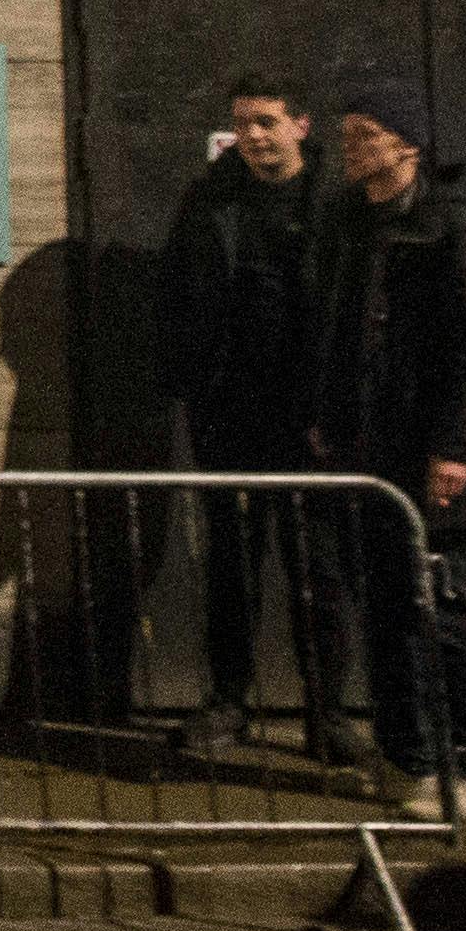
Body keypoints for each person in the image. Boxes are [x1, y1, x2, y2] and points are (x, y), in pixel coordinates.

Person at [311, 79, 466, 824]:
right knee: (385, 609)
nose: (351, 147)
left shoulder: (451, 224)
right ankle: (408, 760)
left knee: (445, 609)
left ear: (407, 143)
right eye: (347, 134)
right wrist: (325, 418)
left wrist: (456, 446)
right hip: (366, 449)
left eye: (365, 133)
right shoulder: (347, 223)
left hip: (434, 454)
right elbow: (334, 332)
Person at [160, 78, 350, 765]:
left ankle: (328, 715)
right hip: (231, 413)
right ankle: (228, 701)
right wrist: (194, 387)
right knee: (232, 569)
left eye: (267, 123)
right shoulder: (212, 199)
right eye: (243, 124)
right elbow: (178, 294)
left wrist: (336, 408)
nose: (254, 137)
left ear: (302, 123)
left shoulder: (335, 203)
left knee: (317, 571)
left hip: (310, 420)